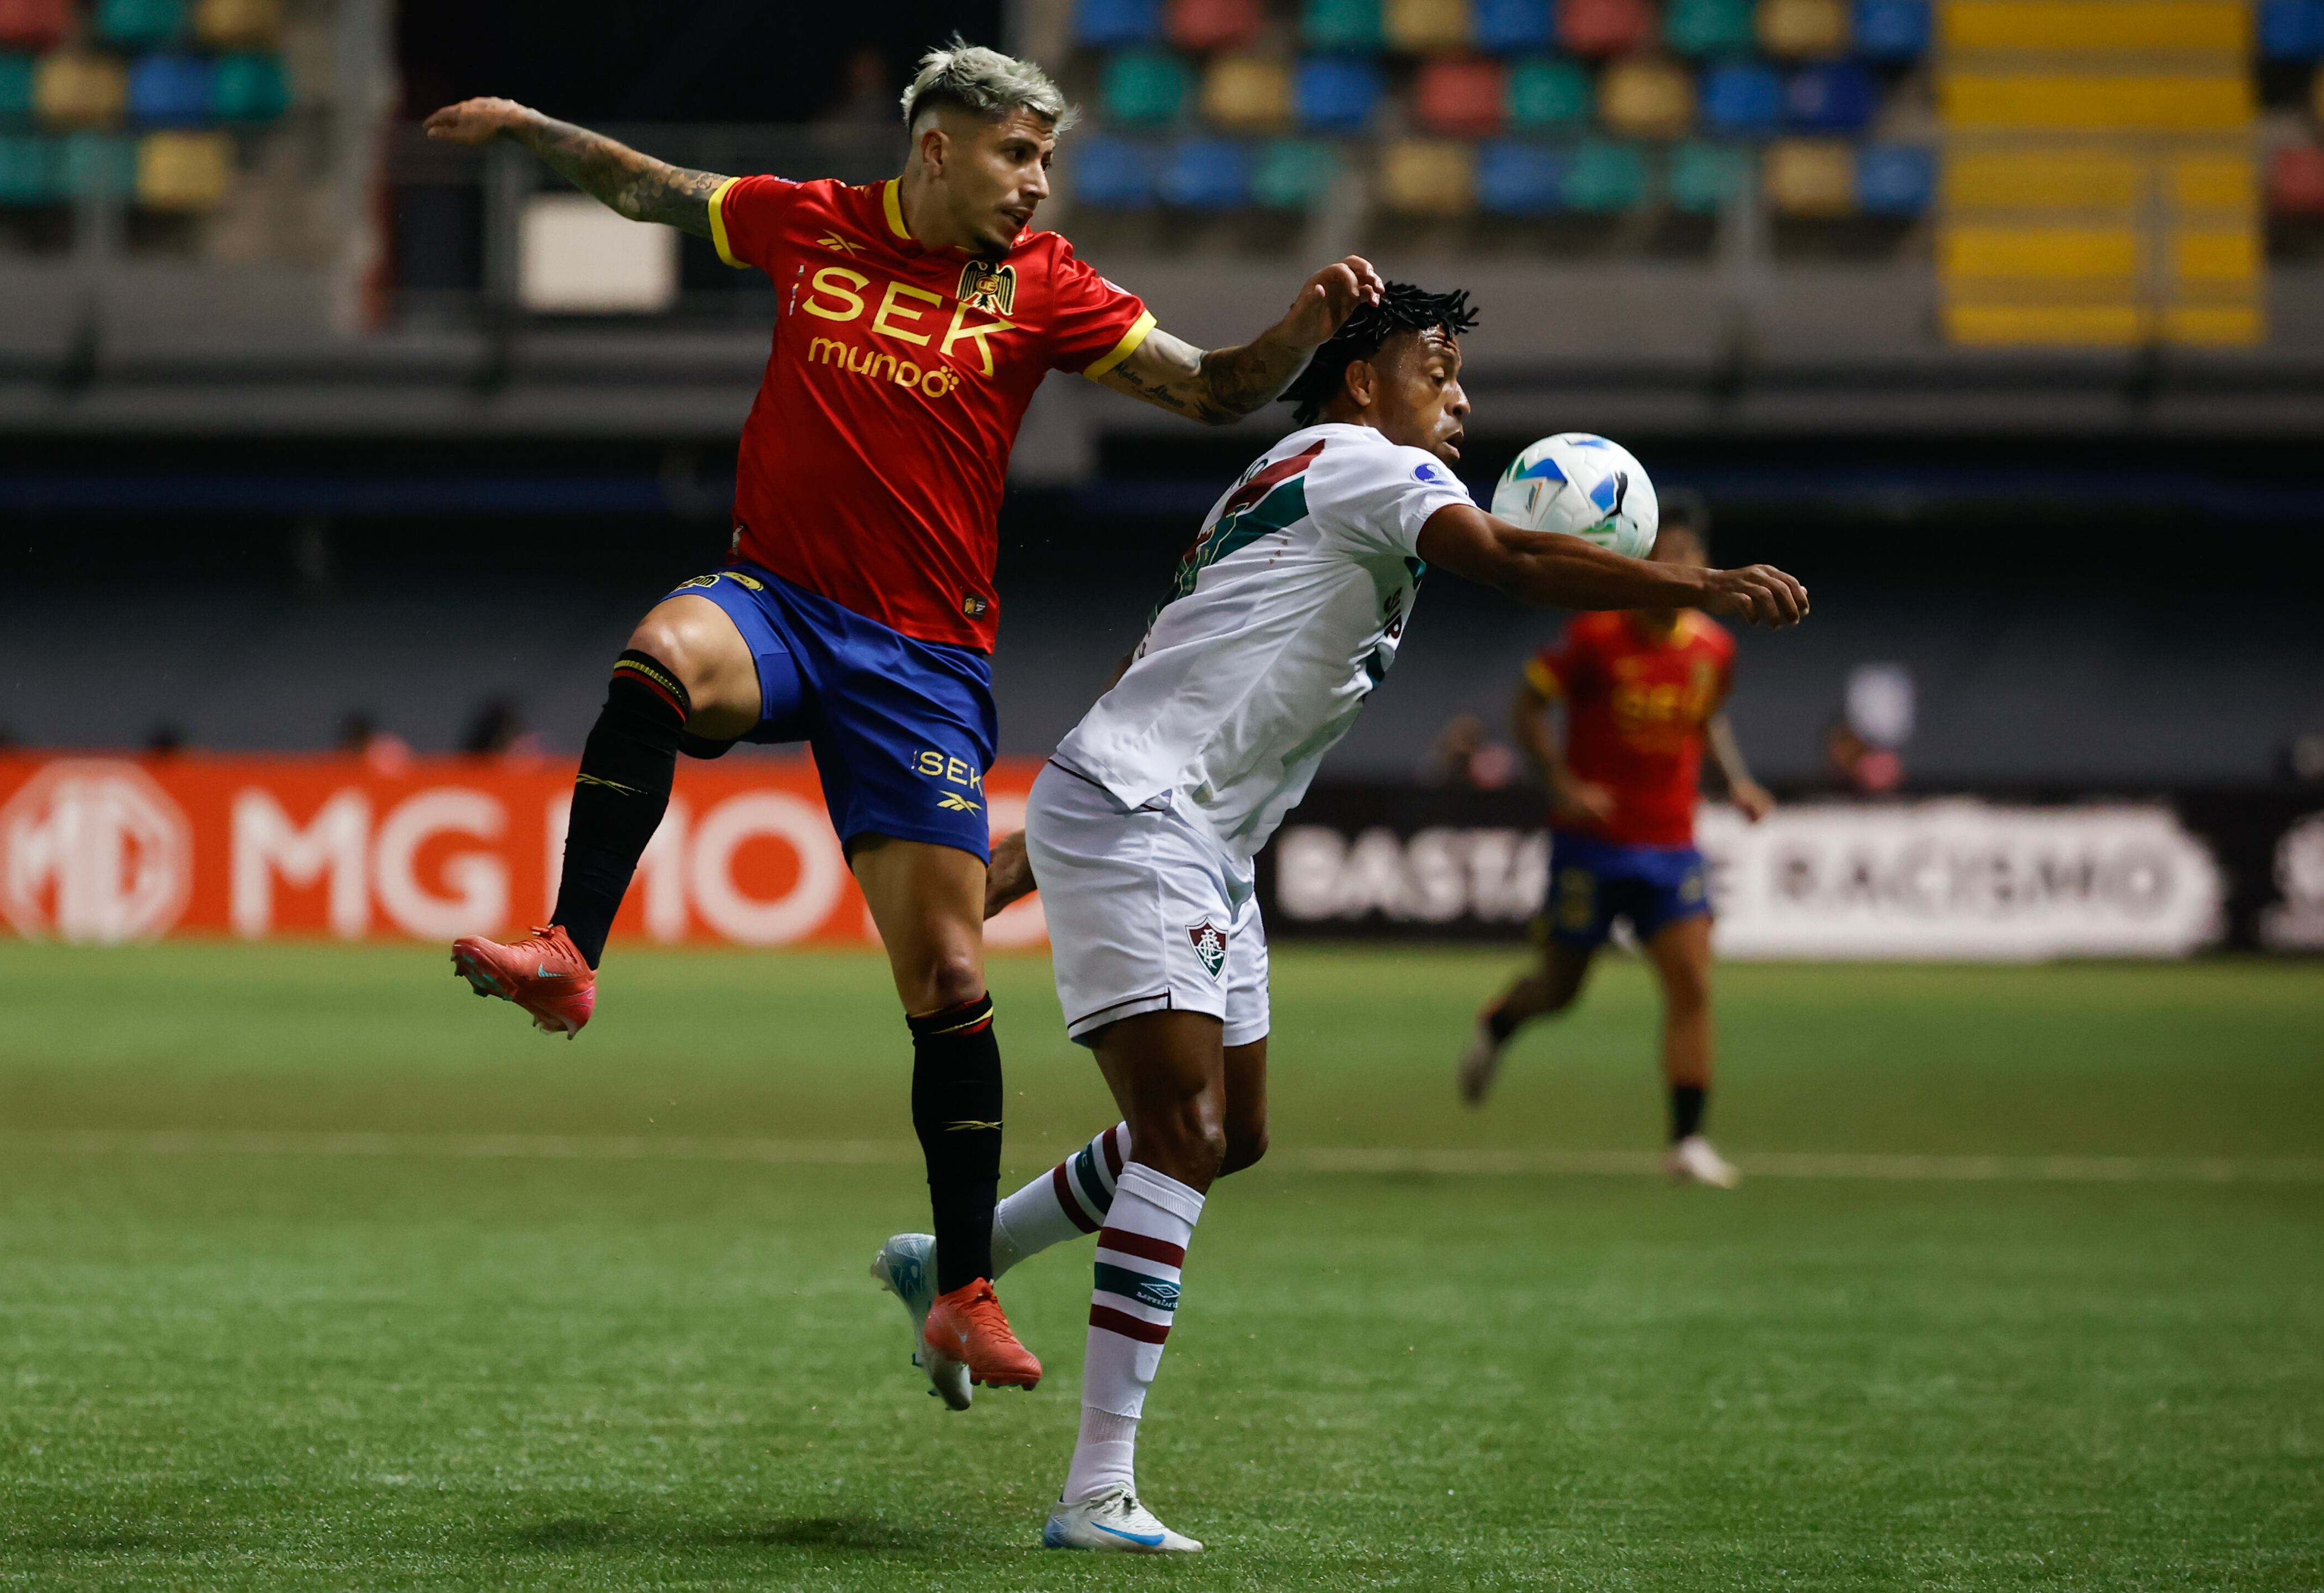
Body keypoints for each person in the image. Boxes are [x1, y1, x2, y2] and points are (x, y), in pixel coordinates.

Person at [423, 41, 1392, 1400]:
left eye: (1046, 161)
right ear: (938, 146)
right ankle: (568, 950)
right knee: (657, 656)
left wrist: (1294, 335)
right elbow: (647, 191)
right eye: (1017, 156)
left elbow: (1211, 386)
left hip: (923, 665)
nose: (1038, 187)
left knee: (946, 982)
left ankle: (961, 1292)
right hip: (776, 600)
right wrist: (531, 123)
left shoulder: (1044, 289)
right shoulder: (805, 219)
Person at [874, 286, 1808, 1551]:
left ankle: (958, 1254)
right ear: (1363, 379)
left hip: (1196, 833)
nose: (1462, 397)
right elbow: (1518, 559)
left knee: (1231, 1133)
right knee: (1183, 1130)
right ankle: (1096, 1487)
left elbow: (1163, 668)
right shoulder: (1367, 465)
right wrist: (1692, 581)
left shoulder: (1300, 469)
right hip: (1154, 822)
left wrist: (1027, 853)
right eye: (1440, 368)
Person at [1454, 503, 1778, 1188]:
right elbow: (1527, 707)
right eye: (1664, 555)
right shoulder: (1593, 639)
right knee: (1562, 989)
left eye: (1688, 555)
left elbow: (1707, 721)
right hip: (1591, 847)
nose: (1677, 569)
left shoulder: (1715, 649)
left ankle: (1687, 1142)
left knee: (1692, 984)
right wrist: (1562, 781)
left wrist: (1739, 783)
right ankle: (1500, 1020)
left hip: (1672, 846)